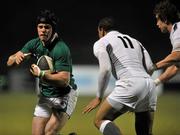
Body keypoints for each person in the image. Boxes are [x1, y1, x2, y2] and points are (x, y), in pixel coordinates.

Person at [7, 9, 78, 135]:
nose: (43, 30)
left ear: (53, 29)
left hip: (64, 96)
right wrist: (15, 59)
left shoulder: (61, 49)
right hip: (46, 95)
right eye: (40, 27)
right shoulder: (34, 44)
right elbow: (9, 62)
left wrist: (41, 74)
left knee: (49, 132)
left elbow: (64, 80)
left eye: (47, 27)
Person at [83, 17, 157, 135]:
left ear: (101, 30)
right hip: (149, 84)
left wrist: (98, 97)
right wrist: (140, 89)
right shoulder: (136, 41)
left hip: (129, 83)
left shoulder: (101, 42)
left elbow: (105, 69)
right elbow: (150, 67)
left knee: (100, 120)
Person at [151, 0, 180, 85]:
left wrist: (153, 67)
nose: (157, 24)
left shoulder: (178, 29)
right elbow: (175, 67)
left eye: (158, 20)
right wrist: (155, 83)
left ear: (165, 19)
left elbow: (177, 56)